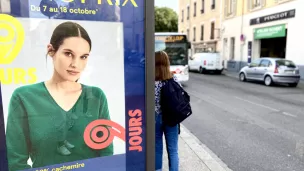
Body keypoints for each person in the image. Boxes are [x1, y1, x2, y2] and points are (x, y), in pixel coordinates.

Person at [5, 21, 113, 171]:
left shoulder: (96, 97)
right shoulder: (24, 97)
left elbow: (106, 156)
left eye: (83, 57)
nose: (76, 64)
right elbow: (15, 162)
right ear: (51, 50)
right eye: (68, 54)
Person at [155, 51, 180, 171]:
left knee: (157, 147)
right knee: (173, 150)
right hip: (171, 117)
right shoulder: (173, 78)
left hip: (155, 117)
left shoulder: (150, 79)